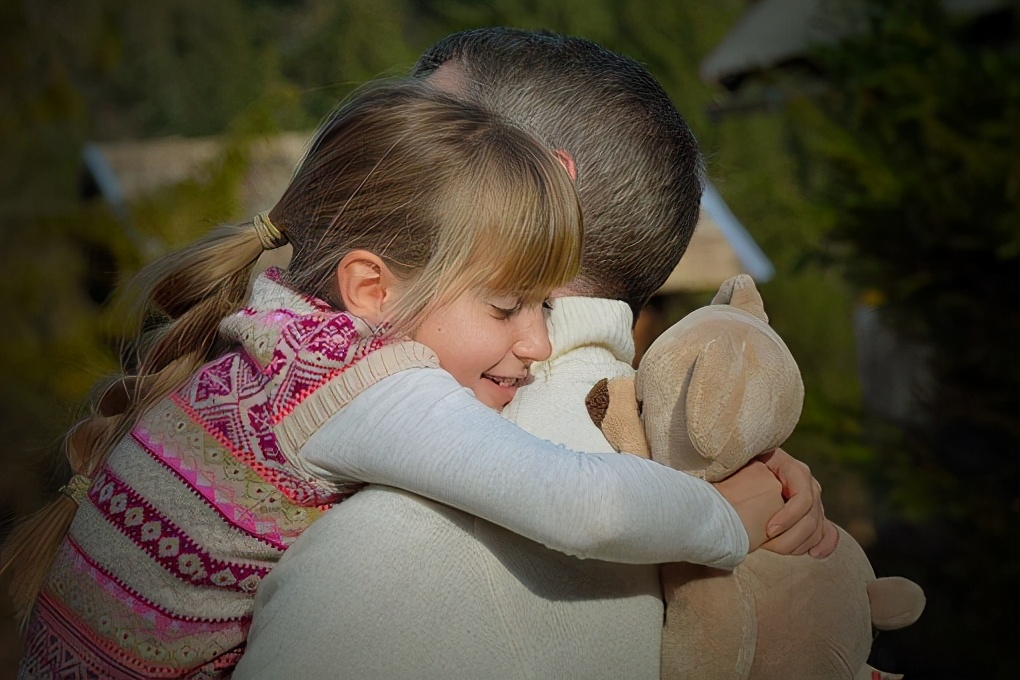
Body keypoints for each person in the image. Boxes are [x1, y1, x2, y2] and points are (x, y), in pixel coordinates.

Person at [6, 78, 786, 679]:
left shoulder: (275, 334)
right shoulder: (357, 384)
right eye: (509, 306)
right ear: (373, 291)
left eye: (545, 306)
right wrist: (725, 519)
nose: (541, 342)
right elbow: (581, 503)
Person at [235, 29, 836, 680]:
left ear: (544, 187)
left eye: (424, 136)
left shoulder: (382, 552)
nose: (373, 165)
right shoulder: (710, 485)